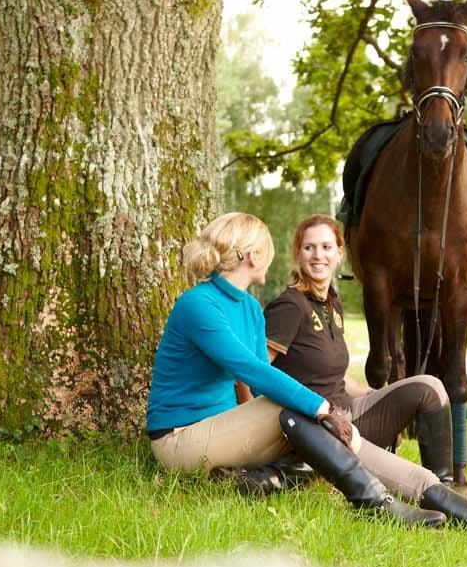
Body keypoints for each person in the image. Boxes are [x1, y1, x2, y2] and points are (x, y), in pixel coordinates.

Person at [259, 214, 467, 542]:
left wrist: (381, 395)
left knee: (429, 386)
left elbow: (330, 373)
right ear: (298, 253)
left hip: (351, 409)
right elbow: (258, 372)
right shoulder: (289, 307)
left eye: (325, 247)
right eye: (309, 247)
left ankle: (449, 484)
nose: (317, 255)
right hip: (326, 428)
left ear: (340, 253)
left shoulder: (330, 302)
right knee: (418, 480)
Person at [146, 211, 444, 529]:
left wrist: (315, 414)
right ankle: (372, 502)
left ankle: (425, 487)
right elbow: (251, 370)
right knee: (295, 406)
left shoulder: (248, 307)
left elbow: (258, 383)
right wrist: (321, 407)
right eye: (270, 249)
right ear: (253, 256)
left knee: (302, 412)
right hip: (179, 441)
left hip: (223, 431)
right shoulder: (198, 304)